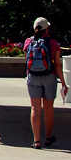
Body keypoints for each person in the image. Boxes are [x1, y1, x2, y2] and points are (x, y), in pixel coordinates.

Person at [24, 16, 66, 148]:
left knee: (35, 108)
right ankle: (48, 138)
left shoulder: (28, 42)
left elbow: (27, 60)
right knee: (48, 109)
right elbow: (58, 65)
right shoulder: (53, 43)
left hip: (33, 77)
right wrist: (64, 83)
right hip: (49, 77)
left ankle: (36, 140)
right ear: (47, 30)